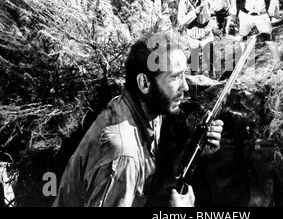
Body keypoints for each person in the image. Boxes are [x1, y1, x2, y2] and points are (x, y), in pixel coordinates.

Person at [52, 31, 224, 207]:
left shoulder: (144, 108)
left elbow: (148, 178)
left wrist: (194, 149)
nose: (185, 86)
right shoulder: (122, 155)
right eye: (175, 77)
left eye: (183, 75)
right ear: (144, 83)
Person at [177, 0, 216, 76]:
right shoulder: (183, 3)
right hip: (192, 36)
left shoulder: (205, 1)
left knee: (209, 57)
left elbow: (216, 9)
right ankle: (195, 82)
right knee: (194, 65)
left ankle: (213, 79)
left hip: (206, 34)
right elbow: (181, 20)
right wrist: (194, 12)